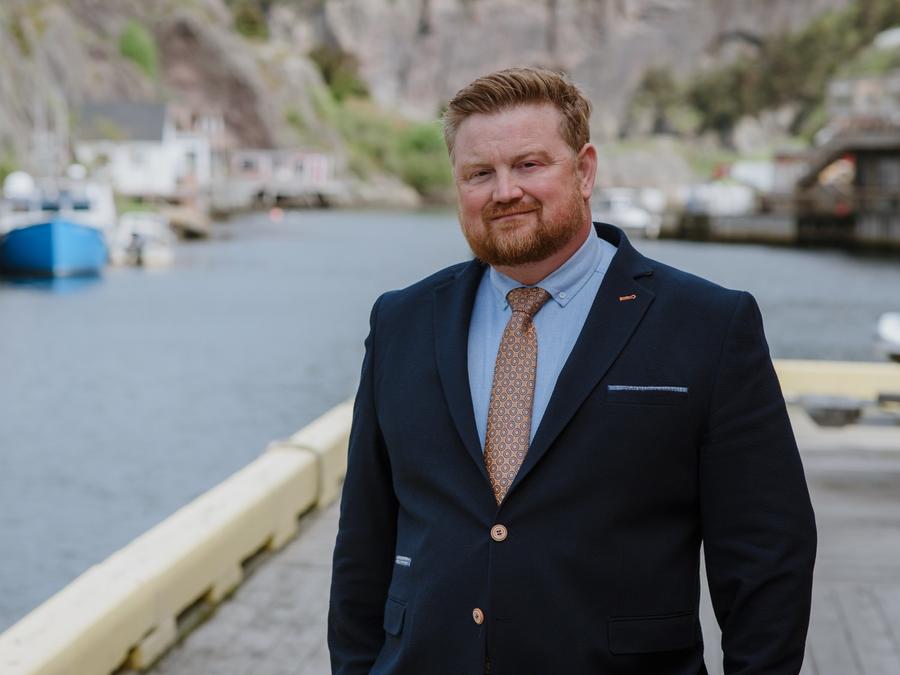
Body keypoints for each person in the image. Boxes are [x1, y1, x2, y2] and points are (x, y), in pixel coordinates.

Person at [328, 67, 816, 675]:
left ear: (584, 171)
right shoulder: (401, 321)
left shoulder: (708, 324)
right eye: (480, 173)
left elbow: (767, 553)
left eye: (529, 165)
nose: (504, 190)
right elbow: (363, 542)